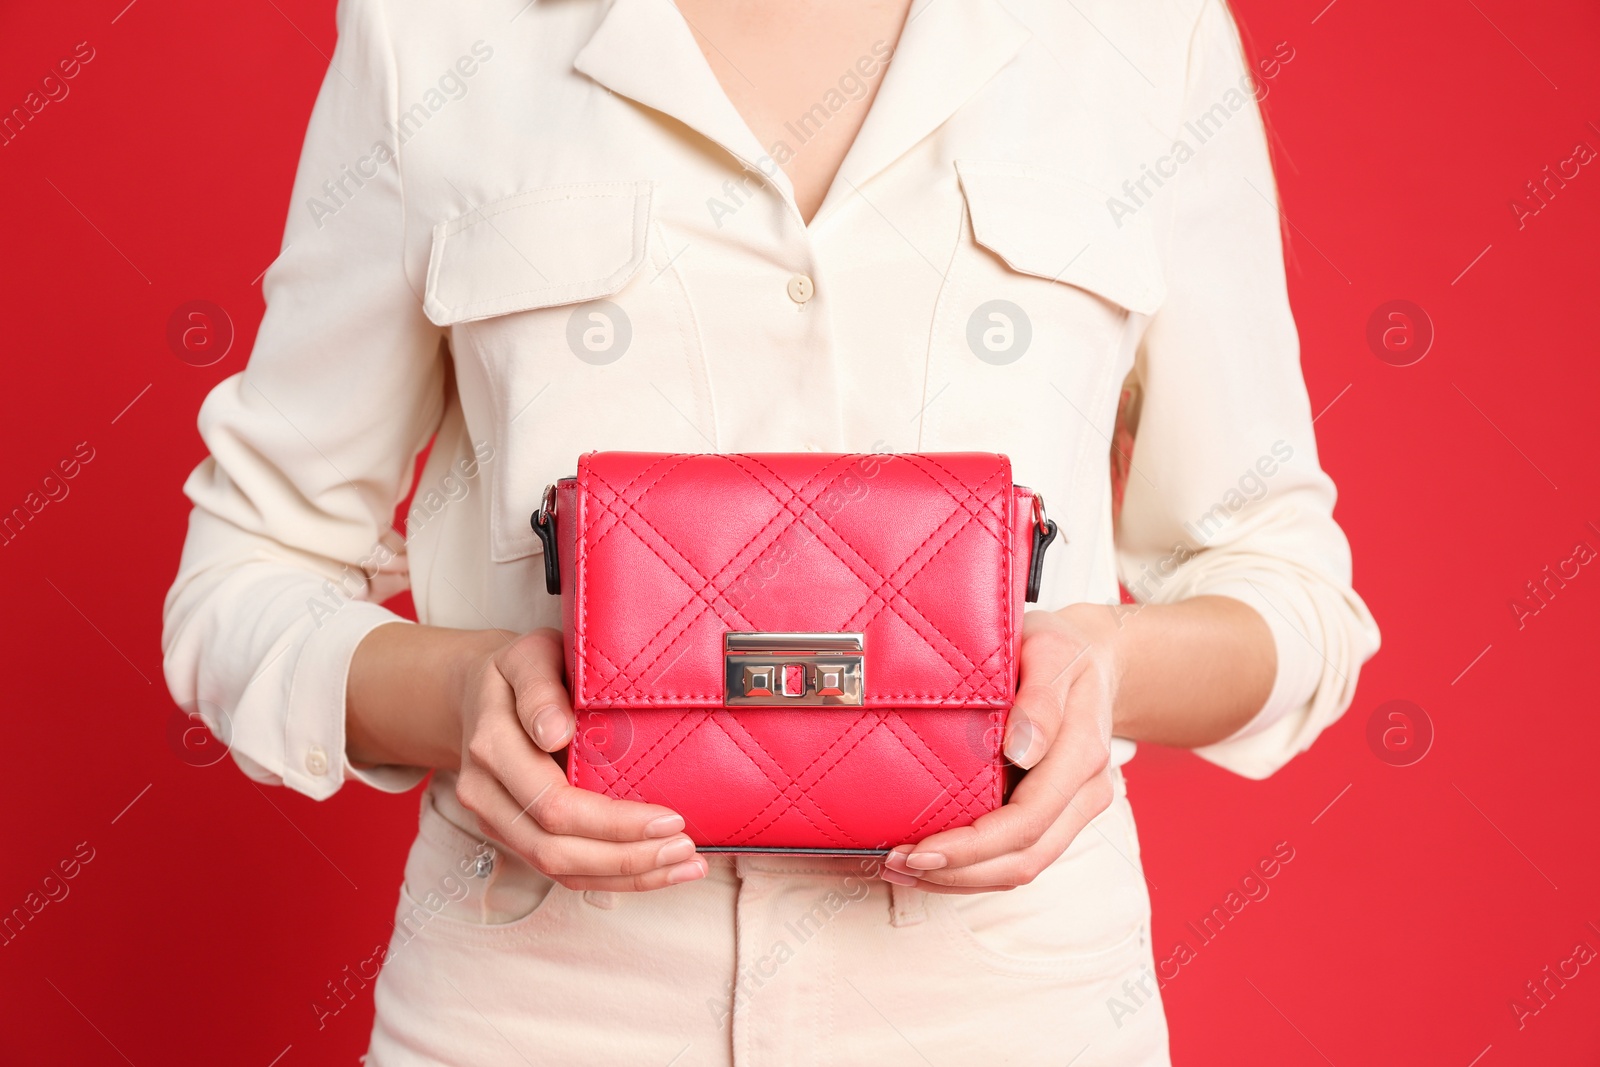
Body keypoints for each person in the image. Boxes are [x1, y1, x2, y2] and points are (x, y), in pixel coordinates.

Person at [162, 0, 1379, 1061]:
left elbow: (1283, 582)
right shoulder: (434, 29)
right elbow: (245, 574)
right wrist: (460, 691)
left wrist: (1102, 669)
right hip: (529, 1015)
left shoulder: (1142, 36)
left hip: (1014, 1014)